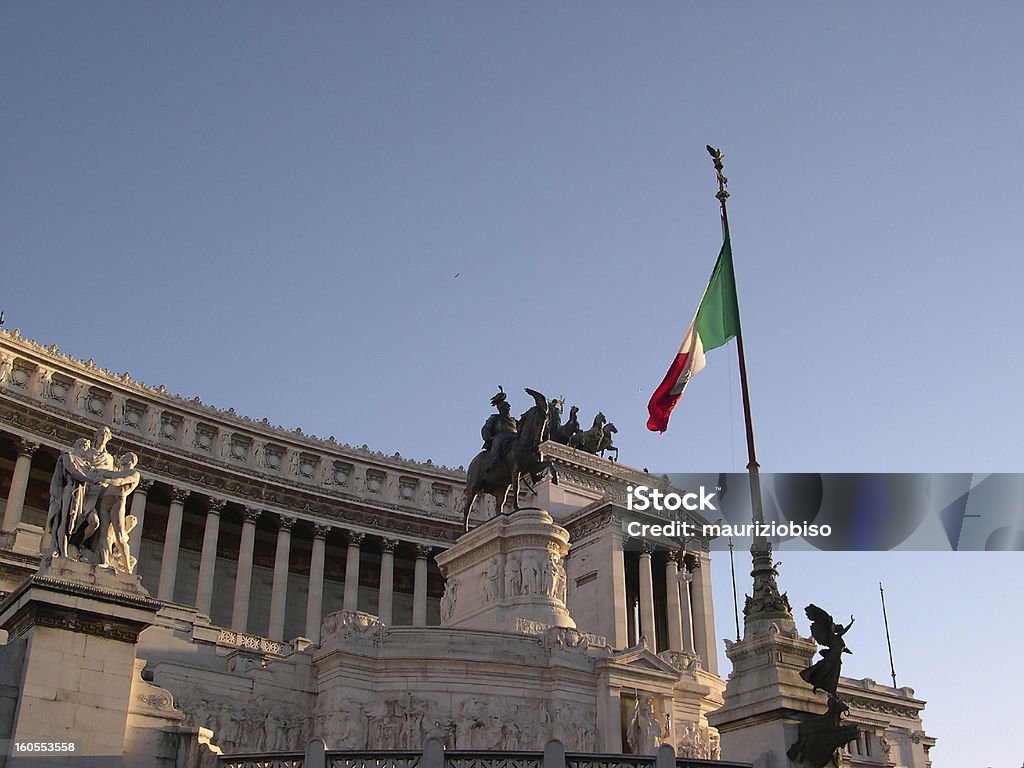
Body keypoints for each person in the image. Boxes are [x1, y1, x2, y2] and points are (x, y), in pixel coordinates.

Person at [480, 388, 517, 461]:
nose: (507, 409)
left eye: (508, 407)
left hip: (514, 436)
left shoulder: (514, 420)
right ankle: (495, 460)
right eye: (505, 407)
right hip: (500, 436)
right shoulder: (495, 418)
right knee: (497, 442)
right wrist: (489, 437)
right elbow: (486, 428)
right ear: (500, 409)